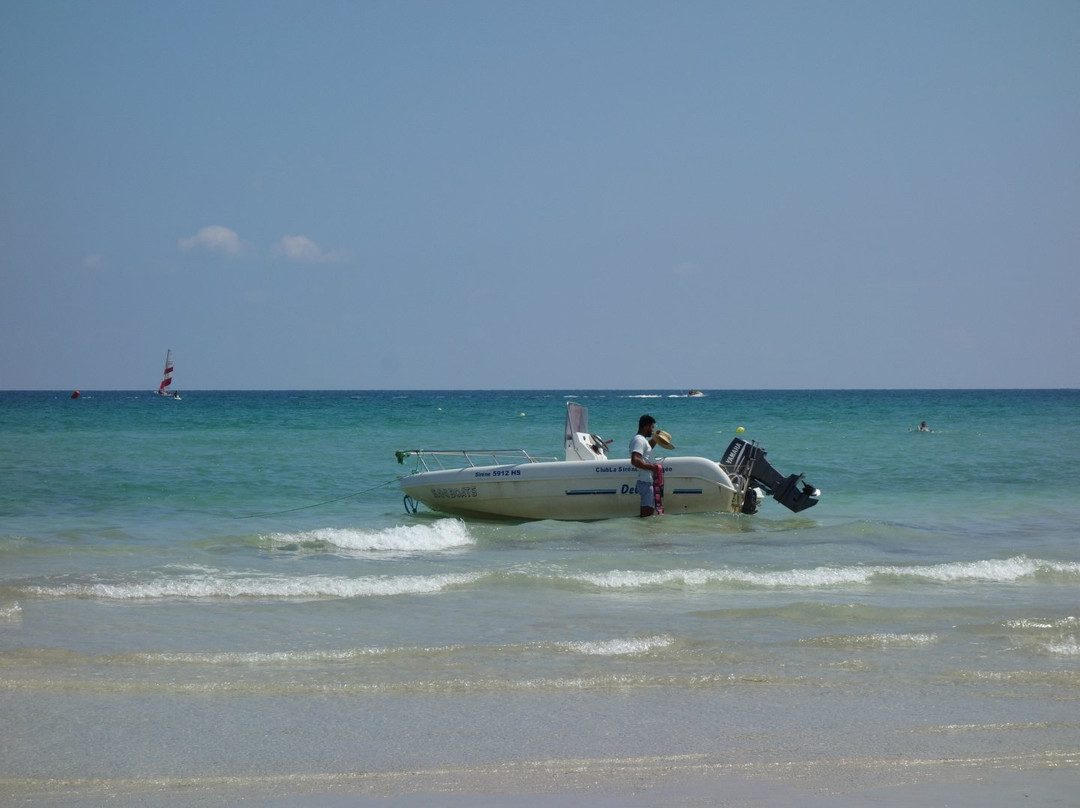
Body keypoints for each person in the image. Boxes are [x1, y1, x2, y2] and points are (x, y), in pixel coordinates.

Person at [630, 414, 661, 517]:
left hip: (646, 481)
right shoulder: (639, 440)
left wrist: (656, 439)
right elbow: (635, 460)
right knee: (646, 515)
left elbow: (647, 449)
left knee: (648, 514)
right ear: (646, 426)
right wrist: (652, 467)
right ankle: (642, 532)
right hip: (645, 482)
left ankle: (643, 532)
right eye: (652, 427)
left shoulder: (641, 440)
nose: (652, 430)